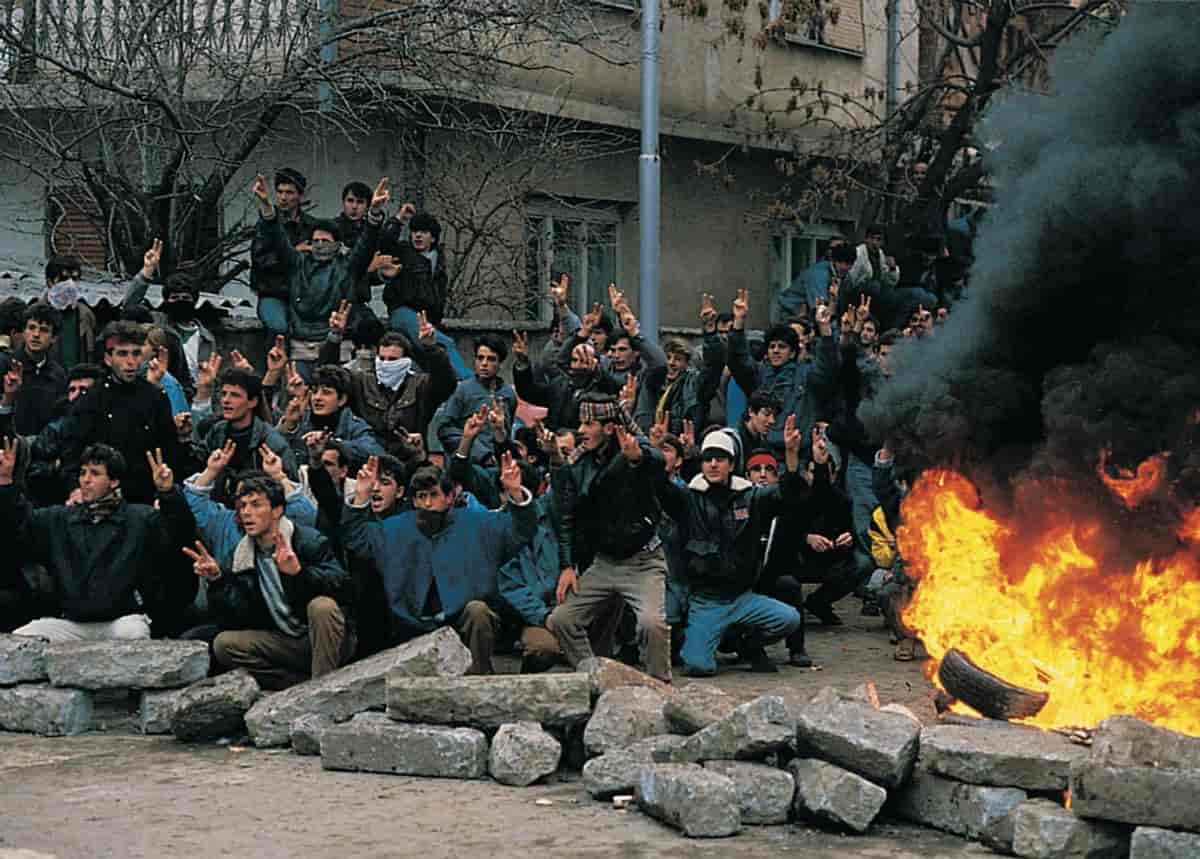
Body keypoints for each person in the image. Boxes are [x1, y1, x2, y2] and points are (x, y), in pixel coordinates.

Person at [341, 455, 535, 674]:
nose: (427, 503)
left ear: (450, 497)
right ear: (413, 501)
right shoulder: (392, 529)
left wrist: (515, 493)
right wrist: (361, 496)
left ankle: (479, 680)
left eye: (434, 495)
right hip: (410, 625)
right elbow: (355, 540)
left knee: (478, 611)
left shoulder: (478, 523)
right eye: (421, 496)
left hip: (462, 620)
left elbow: (521, 532)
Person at [183, 452, 353, 690]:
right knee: (224, 644)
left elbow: (344, 588)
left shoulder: (307, 540)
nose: (246, 513)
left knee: (322, 606)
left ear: (277, 511)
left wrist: (299, 574)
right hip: (284, 640)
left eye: (255, 505)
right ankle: (297, 687)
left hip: (326, 639)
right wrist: (219, 580)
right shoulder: (240, 555)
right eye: (242, 506)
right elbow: (236, 617)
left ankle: (321, 691)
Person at [1, 441, 196, 642]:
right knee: (23, 637)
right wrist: (6, 482)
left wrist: (168, 492)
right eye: (83, 472)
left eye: (94, 473)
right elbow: (21, 525)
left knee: (134, 633)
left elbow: (178, 534)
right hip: (72, 623)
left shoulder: (140, 518)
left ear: (113, 481)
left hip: (122, 620)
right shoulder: (60, 518)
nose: (85, 480)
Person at [657, 420, 807, 676]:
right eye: (708, 459)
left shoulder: (752, 496)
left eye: (720, 458)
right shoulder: (687, 498)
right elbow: (660, 487)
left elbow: (787, 496)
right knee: (699, 666)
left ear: (731, 463)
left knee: (789, 619)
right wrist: (655, 453)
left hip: (742, 597)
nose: (713, 464)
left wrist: (791, 457)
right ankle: (697, 638)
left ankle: (746, 643)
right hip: (706, 602)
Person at [548, 393, 672, 682]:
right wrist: (567, 566)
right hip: (604, 562)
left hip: (643, 561)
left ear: (608, 428)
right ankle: (595, 677)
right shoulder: (577, 463)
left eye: (589, 424)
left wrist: (637, 457)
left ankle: (661, 687)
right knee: (561, 620)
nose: (581, 430)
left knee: (651, 625)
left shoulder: (632, 447)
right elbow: (567, 518)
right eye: (581, 422)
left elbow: (656, 460)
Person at [31, 321, 186, 504]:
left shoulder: (155, 397)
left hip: (144, 498)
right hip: (99, 498)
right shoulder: (91, 399)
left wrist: (165, 493)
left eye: (136, 353)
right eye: (122, 353)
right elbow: (71, 451)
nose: (130, 361)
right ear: (108, 358)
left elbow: (169, 451)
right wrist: (75, 488)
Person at [250, 173, 388, 356]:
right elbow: (278, 238)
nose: (320, 245)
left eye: (325, 240)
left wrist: (375, 213)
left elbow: (366, 245)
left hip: (335, 342)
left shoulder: (347, 265)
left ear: (338, 244)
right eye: (316, 241)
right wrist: (267, 207)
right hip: (301, 343)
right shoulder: (298, 262)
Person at [320, 303, 455, 462]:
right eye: (381, 358)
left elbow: (446, 383)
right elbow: (329, 375)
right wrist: (334, 337)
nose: (385, 364)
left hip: (409, 460)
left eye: (392, 360)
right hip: (367, 461)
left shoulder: (420, 386)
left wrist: (431, 348)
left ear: (406, 361)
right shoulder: (361, 382)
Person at [192, 368, 298, 507]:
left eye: (235, 395)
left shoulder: (271, 442)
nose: (226, 400)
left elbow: (292, 493)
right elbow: (196, 467)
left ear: (252, 402)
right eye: (224, 394)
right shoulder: (217, 431)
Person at [123, 239, 216, 397]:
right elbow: (129, 306)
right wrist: (147, 271)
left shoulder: (206, 338)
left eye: (185, 297)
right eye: (175, 297)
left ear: (194, 301)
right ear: (166, 301)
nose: (180, 302)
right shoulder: (156, 323)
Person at [250, 168, 318, 339]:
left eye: (289, 192)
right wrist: (294, 252)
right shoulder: (266, 223)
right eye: (280, 192)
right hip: (273, 291)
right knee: (278, 328)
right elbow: (261, 260)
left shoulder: (311, 225)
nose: (283, 197)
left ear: (300, 195)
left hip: (302, 295)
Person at [278, 364, 386, 468]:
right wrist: (289, 425)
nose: (317, 398)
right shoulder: (302, 419)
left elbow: (376, 453)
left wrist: (332, 443)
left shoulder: (353, 425)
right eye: (315, 392)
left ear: (342, 399)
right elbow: (273, 450)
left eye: (326, 392)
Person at [436, 334, 517, 464]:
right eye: (480, 358)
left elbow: (506, 432)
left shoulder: (508, 394)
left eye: (491, 359)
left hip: (500, 464)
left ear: (500, 363)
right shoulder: (462, 390)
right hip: (469, 464)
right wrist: (481, 454)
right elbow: (445, 430)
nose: (484, 364)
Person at [11, 303, 67, 435]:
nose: (36, 334)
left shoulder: (58, 375)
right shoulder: (7, 366)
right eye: (31, 328)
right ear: (24, 332)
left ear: (54, 338)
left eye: (44, 330)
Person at [42, 254, 97, 370]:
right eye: (64, 279)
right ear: (49, 282)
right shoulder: (35, 314)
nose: (70, 285)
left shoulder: (86, 315)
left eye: (74, 279)